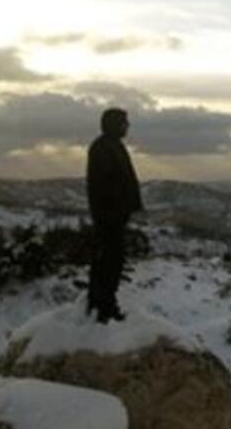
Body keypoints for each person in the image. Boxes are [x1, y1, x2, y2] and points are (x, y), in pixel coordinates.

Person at [86, 107, 143, 323]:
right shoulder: (103, 148)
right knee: (109, 263)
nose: (127, 126)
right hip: (109, 218)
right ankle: (104, 307)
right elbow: (105, 186)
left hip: (114, 216)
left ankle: (102, 303)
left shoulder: (112, 146)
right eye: (124, 123)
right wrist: (119, 208)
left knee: (111, 262)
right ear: (114, 124)